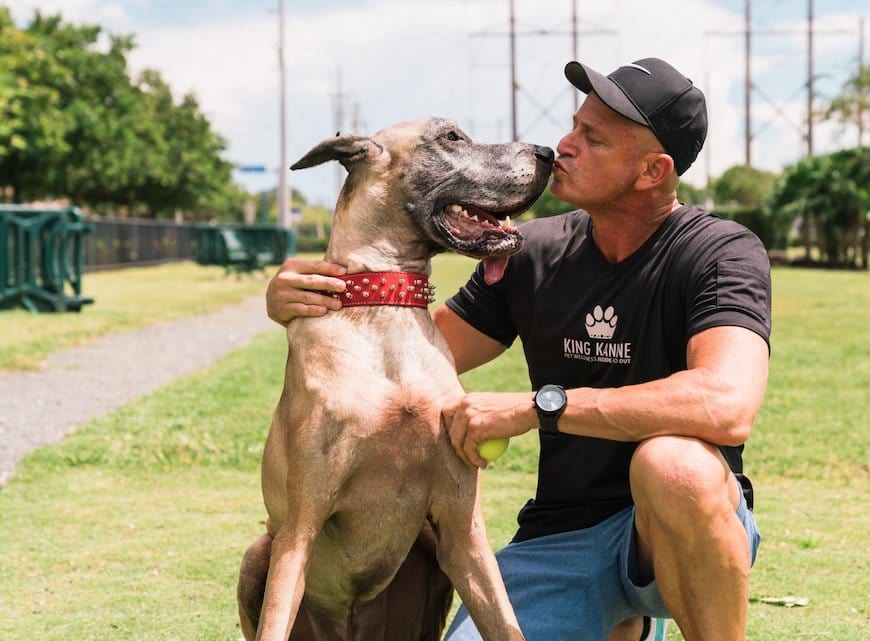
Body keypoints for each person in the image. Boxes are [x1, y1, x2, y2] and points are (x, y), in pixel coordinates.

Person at [265, 57, 771, 641]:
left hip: (672, 532)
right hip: (560, 539)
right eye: (573, 126)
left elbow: (728, 405)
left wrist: (538, 406)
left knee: (672, 465)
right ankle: (619, 624)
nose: (564, 145)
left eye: (593, 138)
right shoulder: (529, 252)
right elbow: (414, 358)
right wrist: (318, 303)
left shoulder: (720, 252)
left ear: (651, 171)